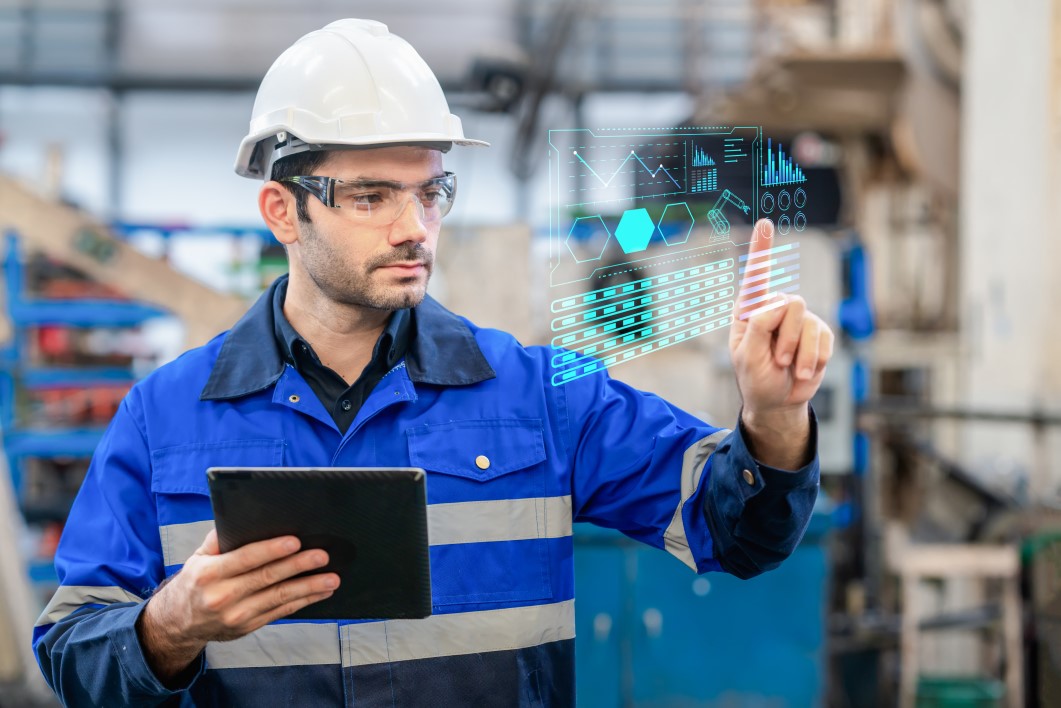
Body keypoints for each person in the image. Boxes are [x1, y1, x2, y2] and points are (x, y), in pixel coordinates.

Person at [32, 18, 833, 707]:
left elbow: (737, 537)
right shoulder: (164, 418)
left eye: (430, 192)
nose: (414, 227)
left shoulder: (541, 400)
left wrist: (772, 419)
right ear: (282, 209)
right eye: (371, 196)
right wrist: (169, 626)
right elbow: (73, 657)